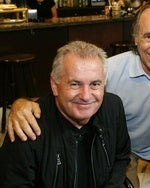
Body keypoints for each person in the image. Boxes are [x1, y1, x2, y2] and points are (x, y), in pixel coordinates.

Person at [6, 2, 150, 187]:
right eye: (148, 36)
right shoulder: (109, 69)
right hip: (124, 149)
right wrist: (21, 104)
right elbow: (63, 94)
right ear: (136, 38)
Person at [0, 41, 131, 187]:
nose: (86, 96)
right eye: (75, 84)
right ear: (54, 86)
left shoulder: (113, 108)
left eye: (95, 84)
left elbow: (121, 157)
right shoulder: (27, 125)